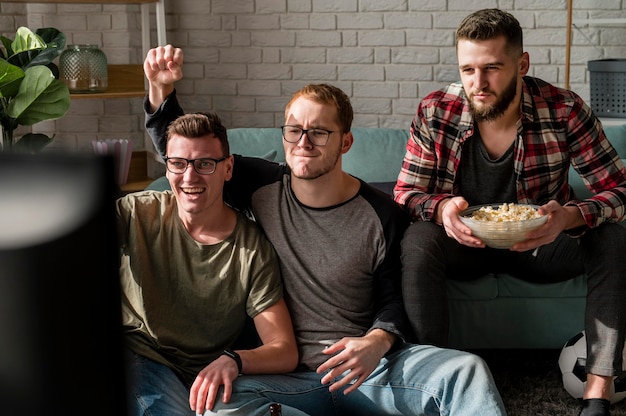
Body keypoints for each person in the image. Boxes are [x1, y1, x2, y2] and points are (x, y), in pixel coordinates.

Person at [142, 45, 507, 416]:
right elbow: (193, 163)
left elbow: (393, 298)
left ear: (345, 142)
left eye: (319, 132)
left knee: (465, 370)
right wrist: (161, 90)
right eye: (295, 130)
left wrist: (376, 342)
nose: (303, 142)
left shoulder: (382, 214)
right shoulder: (261, 187)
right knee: (219, 400)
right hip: (286, 377)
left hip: (367, 371)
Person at [394, 8, 626, 416]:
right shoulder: (436, 111)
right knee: (418, 238)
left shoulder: (564, 109)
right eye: (468, 69)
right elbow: (406, 192)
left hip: (541, 244)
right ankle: (434, 384)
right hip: (464, 246)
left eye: (492, 68)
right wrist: (443, 207)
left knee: (612, 236)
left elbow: (620, 189)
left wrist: (569, 217)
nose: (477, 84)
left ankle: (598, 393)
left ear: (522, 64)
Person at [116, 111, 298, 416]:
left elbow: (284, 349)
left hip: (201, 377)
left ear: (227, 168)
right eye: (178, 164)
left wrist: (235, 360)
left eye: (204, 164)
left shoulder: (251, 249)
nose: (189, 177)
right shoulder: (138, 213)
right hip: (138, 354)